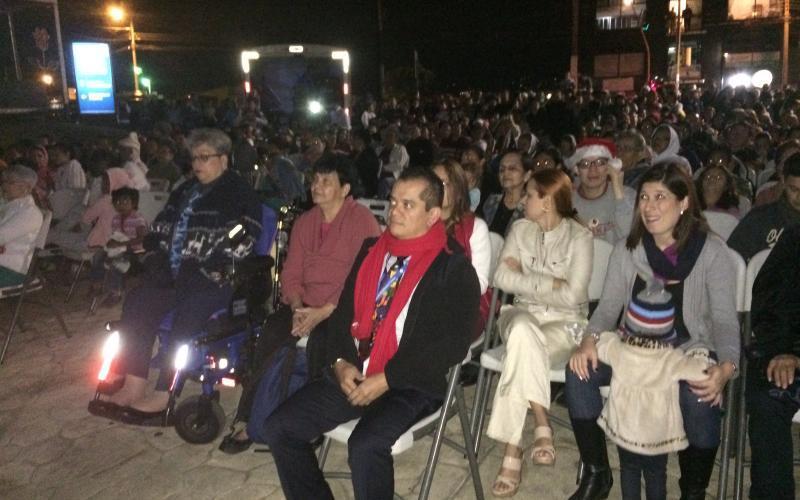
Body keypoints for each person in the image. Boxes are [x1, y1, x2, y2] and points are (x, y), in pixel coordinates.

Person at [260, 167, 480, 500]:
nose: (394, 211)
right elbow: (341, 317)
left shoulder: (452, 267)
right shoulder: (371, 251)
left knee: (365, 446)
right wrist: (339, 363)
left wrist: (387, 378)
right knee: (280, 427)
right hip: (356, 371)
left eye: (408, 205)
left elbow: (452, 345)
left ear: (433, 215)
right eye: (393, 201)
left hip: (409, 382)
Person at [566, 163, 739, 500]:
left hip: (689, 349)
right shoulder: (628, 249)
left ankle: (693, 490)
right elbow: (608, 308)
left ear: (683, 202)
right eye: (644, 197)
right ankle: (597, 473)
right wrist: (589, 340)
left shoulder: (711, 252)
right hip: (634, 347)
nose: (649, 206)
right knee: (579, 371)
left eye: (660, 197)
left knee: (700, 396)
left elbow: (724, 320)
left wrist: (727, 367)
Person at [88, 128, 262, 425]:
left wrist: (212, 261)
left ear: (223, 159)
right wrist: (156, 251)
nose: (197, 164)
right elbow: (161, 227)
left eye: (204, 157)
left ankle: (164, 391)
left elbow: (243, 234)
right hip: (174, 274)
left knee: (188, 314)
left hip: (213, 278)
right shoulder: (185, 189)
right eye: (194, 158)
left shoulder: (239, 192)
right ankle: (133, 384)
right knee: (138, 302)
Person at [218, 153, 381, 454]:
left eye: (326, 181)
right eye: (315, 180)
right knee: (272, 332)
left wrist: (325, 311)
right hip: (303, 305)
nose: (316, 186)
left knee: (322, 342)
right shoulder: (306, 222)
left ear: (345, 189)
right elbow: (291, 271)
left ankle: (309, 422)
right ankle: (249, 416)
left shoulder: (362, 222)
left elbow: (364, 278)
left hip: (343, 309)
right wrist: (296, 307)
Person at [488, 168, 593, 497]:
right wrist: (552, 283)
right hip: (520, 314)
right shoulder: (520, 229)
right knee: (522, 330)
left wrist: (526, 278)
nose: (523, 200)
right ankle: (541, 421)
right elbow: (500, 278)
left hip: (565, 323)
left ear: (547, 201)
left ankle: (513, 450)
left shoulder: (580, 237)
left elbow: (574, 296)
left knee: (520, 352)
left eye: (530, 194)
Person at [745, 223, 800, 500]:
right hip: (791, 352)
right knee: (768, 398)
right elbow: (770, 302)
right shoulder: (796, 239)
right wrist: (785, 350)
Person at [432, 159, 490, 334]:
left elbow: (480, 283)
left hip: (463, 304)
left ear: (457, 188)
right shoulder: (421, 222)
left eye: (441, 183)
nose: (433, 189)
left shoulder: (475, 227)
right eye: (431, 182)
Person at [727, 155, 800, 261]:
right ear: (783, 182)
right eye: (794, 189)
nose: (799, 197)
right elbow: (731, 260)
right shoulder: (759, 219)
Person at [88, 187, 147, 307]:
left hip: (134, 252)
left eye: (125, 201)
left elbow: (142, 238)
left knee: (116, 264)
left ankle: (115, 293)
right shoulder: (116, 219)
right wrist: (111, 242)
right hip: (118, 249)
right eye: (118, 202)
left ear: (134, 203)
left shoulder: (137, 218)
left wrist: (120, 244)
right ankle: (97, 285)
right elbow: (116, 236)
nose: (121, 205)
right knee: (98, 255)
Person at [571, 139, 636, 244]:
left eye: (600, 163)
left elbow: (631, 238)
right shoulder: (567, 200)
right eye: (585, 164)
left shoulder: (629, 196)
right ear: (577, 170)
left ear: (610, 167)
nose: (593, 169)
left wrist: (619, 194)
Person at [0, 166, 44, 287]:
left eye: (10, 182)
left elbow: (1, 236)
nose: (4, 186)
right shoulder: (9, 205)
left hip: (10, 269)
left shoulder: (30, 213)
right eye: (3, 181)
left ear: (26, 187)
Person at [483, 152, 531, 235]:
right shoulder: (491, 200)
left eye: (512, 168)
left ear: (527, 175)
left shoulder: (530, 209)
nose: (505, 173)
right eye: (502, 170)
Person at [376, 126, 409, 198]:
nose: (388, 138)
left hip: (394, 176)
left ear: (396, 138)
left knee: (384, 182)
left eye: (391, 136)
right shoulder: (379, 149)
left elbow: (399, 165)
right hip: (378, 175)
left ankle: (381, 201)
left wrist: (383, 168)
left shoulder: (400, 149)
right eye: (387, 136)